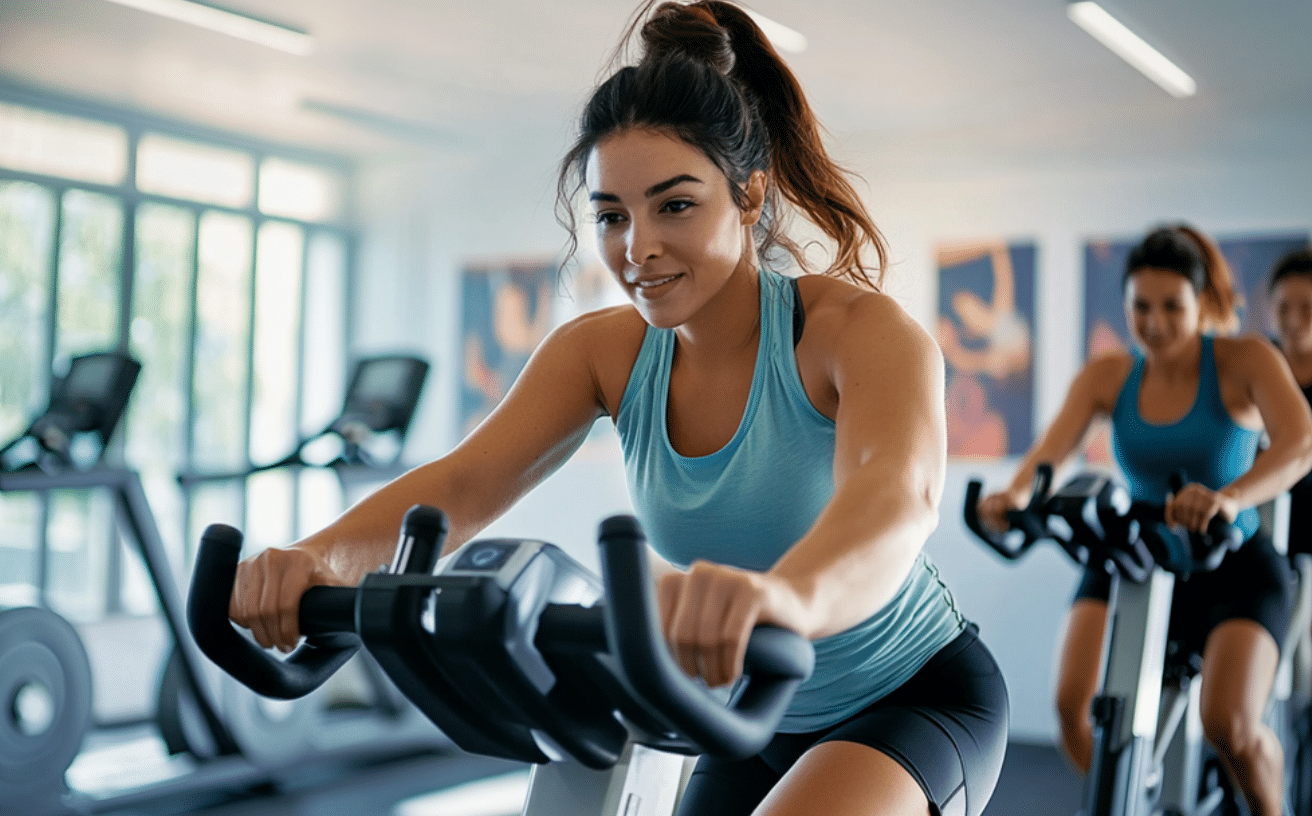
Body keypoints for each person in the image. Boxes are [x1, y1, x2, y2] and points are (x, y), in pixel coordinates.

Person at [229, 3, 1008, 814]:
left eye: (674, 205)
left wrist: (787, 600)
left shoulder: (856, 332)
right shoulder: (600, 353)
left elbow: (894, 500)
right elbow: (460, 486)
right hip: (746, 710)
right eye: (611, 216)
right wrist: (315, 560)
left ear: (749, 195)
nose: (637, 248)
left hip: (910, 697)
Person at [977, 225, 1312, 815]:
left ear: (1202, 304)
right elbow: (1045, 460)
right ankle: (1143, 800)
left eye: (1171, 307)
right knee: (1076, 718)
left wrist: (1229, 499)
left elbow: (1299, 446)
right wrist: (1012, 498)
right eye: (1141, 306)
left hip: (1231, 558)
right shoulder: (1108, 376)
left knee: (1229, 724)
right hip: (1136, 551)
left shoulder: (1243, 361)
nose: (1153, 322)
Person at [1268, 246, 1312, 557]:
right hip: (1264, 521)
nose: (1294, 320)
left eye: (1307, 308)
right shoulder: (1256, 369)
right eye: (1283, 308)